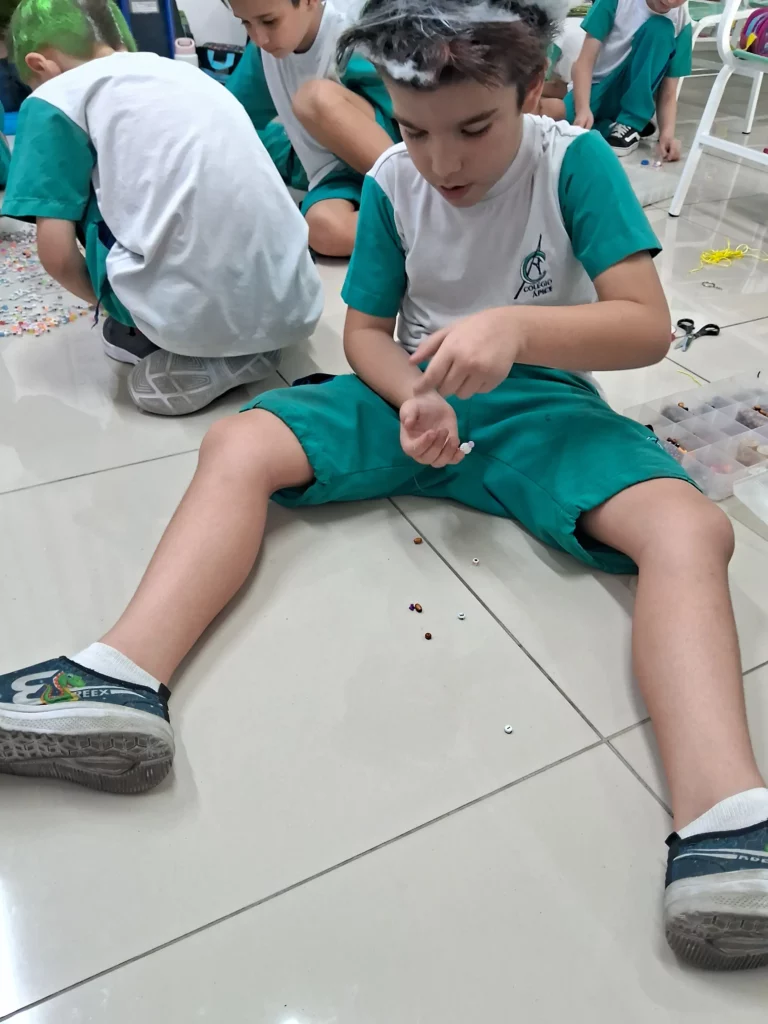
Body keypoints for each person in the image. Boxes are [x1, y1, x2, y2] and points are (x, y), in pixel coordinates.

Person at [1, 0, 767, 971]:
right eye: (413, 130)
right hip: (414, 389)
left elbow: (645, 325)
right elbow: (365, 332)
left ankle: (725, 818)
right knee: (241, 443)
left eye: (473, 129)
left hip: (544, 400)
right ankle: (117, 676)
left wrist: (516, 328)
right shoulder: (396, 178)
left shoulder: (574, 162)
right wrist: (411, 395)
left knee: (690, 530)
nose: (442, 162)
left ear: (530, 91)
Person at [1, 0, 323, 415]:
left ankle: (178, 333)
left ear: (39, 65)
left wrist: (110, 306)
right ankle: (241, 329)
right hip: (298, 298)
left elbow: (57, 254)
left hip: (197, 314)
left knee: (79, 197)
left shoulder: (53, 97)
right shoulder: (183, 72)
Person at [225, 0, 400, 257]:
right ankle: (419, 227)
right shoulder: (263, 54)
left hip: (392, 157)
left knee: (313, 100)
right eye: (246, 23)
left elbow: (410, 117)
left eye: (270, 21)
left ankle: (419, 199)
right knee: (321, 229)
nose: (259, 38)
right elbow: (227, 117)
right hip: (337, 176)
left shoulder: (352, 36)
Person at [540, 0, 691, 158]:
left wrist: (667, 134)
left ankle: (631, 121)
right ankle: (613, 126)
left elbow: (669, 91)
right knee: (565, 123)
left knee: (660, 28)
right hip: (597, 87)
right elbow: (584, 62)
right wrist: (582, 108)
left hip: (633, 91)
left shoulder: (682, 21)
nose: (671, 1)